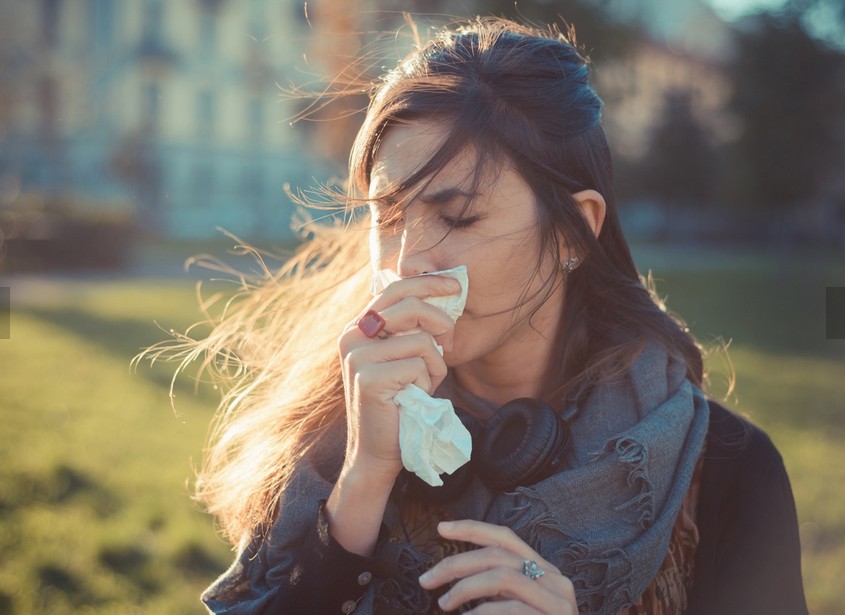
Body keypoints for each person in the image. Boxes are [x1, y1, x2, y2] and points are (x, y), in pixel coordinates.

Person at [143, 16, 808, 615]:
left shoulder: (727, 471)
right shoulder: (335, 433)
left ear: (574, 232)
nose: (406, 263)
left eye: (458, 216)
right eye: (388, 216)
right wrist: (361, 480)